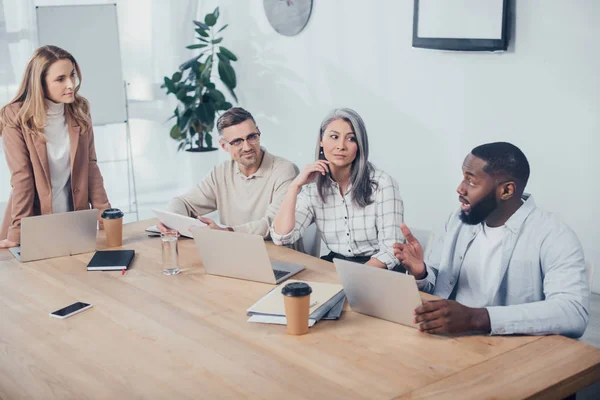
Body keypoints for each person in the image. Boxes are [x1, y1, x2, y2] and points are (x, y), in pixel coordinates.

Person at [395, 142, 589, 338]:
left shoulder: (555, 236)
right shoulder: (458, 220)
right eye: (463, 177)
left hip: (510, 351)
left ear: (506, 191)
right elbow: (437, 283)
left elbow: (573, 312)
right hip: (449, 340)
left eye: (471, 181)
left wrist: (477, 318)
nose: (460, 189)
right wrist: (422, 272)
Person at [0, 45, 111, 248]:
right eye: (60, 79)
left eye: (72, 76)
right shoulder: (14, 116)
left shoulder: (79, 109)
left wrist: (106, 219)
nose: (70, 85)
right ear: (39, 83)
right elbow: (21, 177)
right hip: (34, 222)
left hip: (75, 221)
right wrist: (16, 234)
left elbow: (91, 166)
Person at [271, 108, 404, 270]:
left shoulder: (382, 183)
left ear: (360, 145)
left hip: (378, 269)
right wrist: (294, 186)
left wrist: (355, 276)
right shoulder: (313, 189)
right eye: (334, 137)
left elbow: (391, 249)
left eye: (351, 139)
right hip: (336, 266)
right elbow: (282, 237)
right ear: (321, 140)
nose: (341, 146)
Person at [162, 107, 297, 237]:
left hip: (277, 256)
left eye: (251, 137)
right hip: (233, 252)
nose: (247, 146)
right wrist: (170, 222)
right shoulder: (220, 172)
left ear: (258, 133)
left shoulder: (285, 171)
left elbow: (274, 224)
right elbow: (183, 203)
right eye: (237, 141)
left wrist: (227, 231)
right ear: (223, 146)